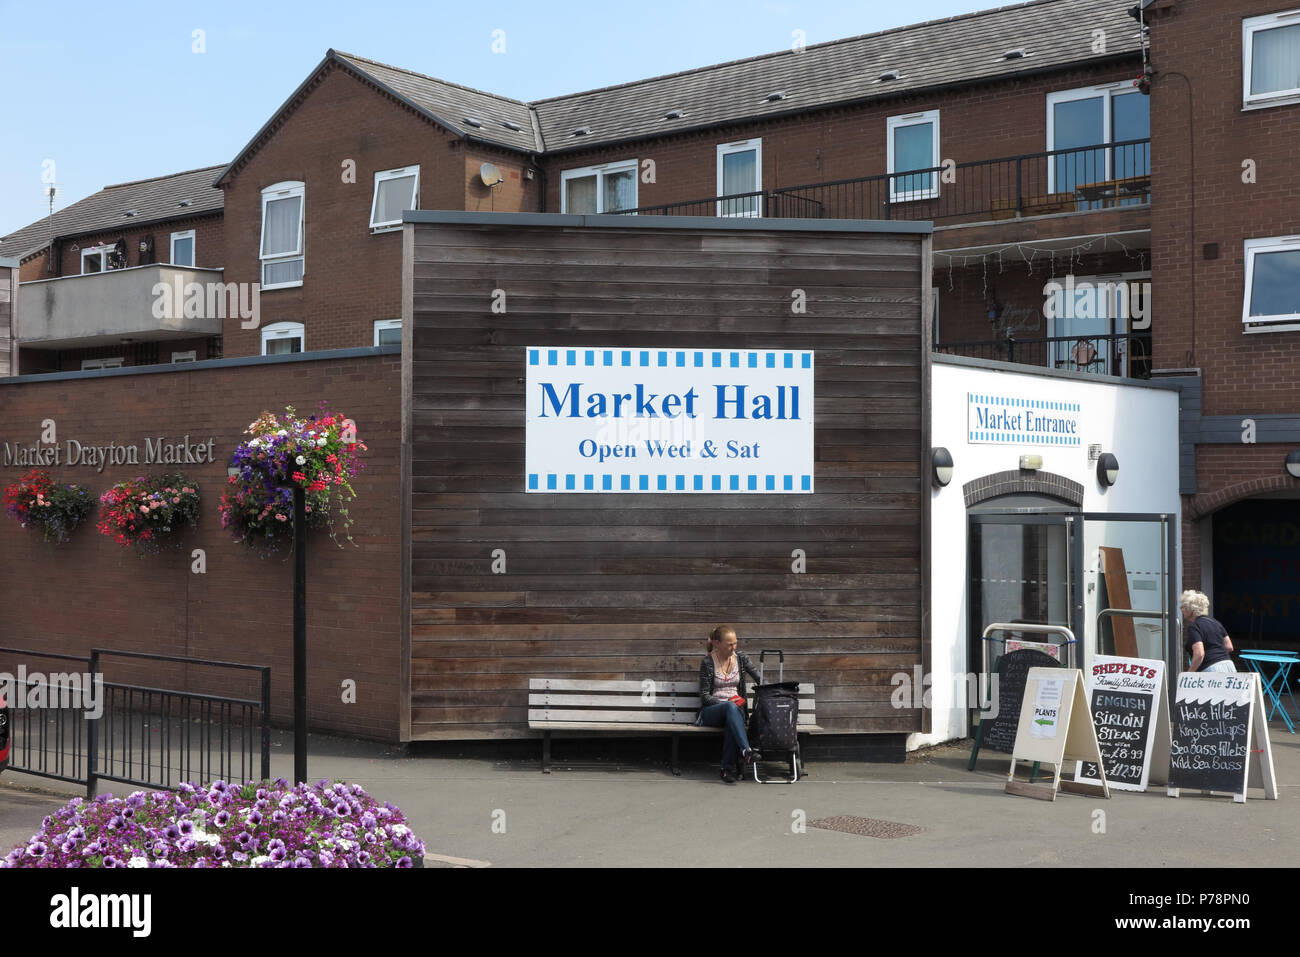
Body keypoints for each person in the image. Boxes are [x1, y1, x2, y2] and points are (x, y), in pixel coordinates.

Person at [696, 625, 763, 783]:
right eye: (729, 644)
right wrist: (725, 703)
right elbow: (705, 697)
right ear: (717, 643)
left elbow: (759, 678)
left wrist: (774, 689)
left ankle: (727, 770)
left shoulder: (741, 659)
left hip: (735, 711)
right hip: (712, 711)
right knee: (730, 707)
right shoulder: (707, 662)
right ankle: (746, 751)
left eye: (735, 643)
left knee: (732, 719)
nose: (734, 647)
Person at [1180, 590, 1236, 673]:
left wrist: (1190, 673)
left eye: (1184, 606)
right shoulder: (1215, 622)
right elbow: (1229, 647)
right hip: (1229, 666)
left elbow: (1199, 654)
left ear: (1191, 609)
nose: (1181, 609)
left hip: (1211, 670)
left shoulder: (1194, 626)